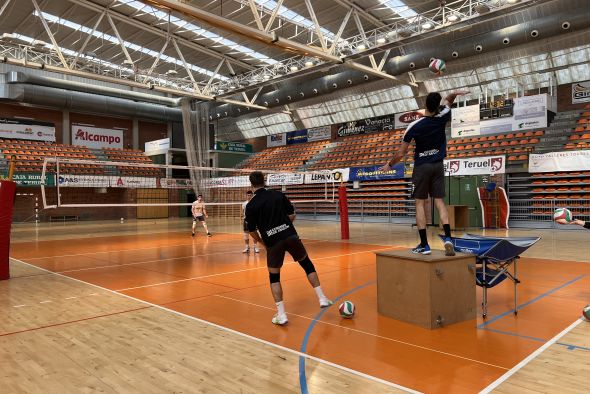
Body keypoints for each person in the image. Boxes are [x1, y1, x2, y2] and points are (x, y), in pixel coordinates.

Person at [379, 90, 469, 256]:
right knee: (440, 202)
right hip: (438, 165)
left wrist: (389, 165)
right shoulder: (443, 116)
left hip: (422, 167)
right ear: (437, 106)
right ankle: (448, 238)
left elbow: (401, 153)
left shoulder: (414, 125)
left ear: (425, 106)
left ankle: (424, 244)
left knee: (420, 203)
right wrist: (455, 93)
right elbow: (449, 101)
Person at [245, 171, 332, 325]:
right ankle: (322, 298)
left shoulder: (251, 205)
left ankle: (282, 315)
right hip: (290, 235)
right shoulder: (278, 195)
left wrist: (263, 243)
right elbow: (292, 215)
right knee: (307, 264)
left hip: (272, 241)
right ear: (264, 181)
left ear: (251, 184)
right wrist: (284, 226)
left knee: (274, 277)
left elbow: (252, 231)